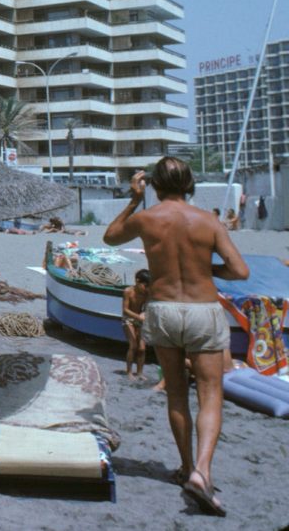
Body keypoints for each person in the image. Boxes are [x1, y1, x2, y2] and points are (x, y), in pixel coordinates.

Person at [104, 157, 248, 516]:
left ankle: (185, 467)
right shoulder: (208, 221)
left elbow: (109, 237)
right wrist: (205, 266)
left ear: (153, 184)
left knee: (177, 392)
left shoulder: (147, 219)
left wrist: (134, 200)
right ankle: (203, 470)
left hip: (164, 309)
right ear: (189, 183)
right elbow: (240, 271)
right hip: (202, 308)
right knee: (211, 392)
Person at [122, 269, 152, 380]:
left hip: (140, 320)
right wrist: (138, 317)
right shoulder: (128, 291)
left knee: (142, 348)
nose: (146, 288)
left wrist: (144, 314)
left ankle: (139, 372)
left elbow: (147, 307)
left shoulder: (147, 293)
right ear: (137, 281)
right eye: (145, 285)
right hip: (128, 320)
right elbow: (125, 310)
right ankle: (129, 371)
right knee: (133, 345)